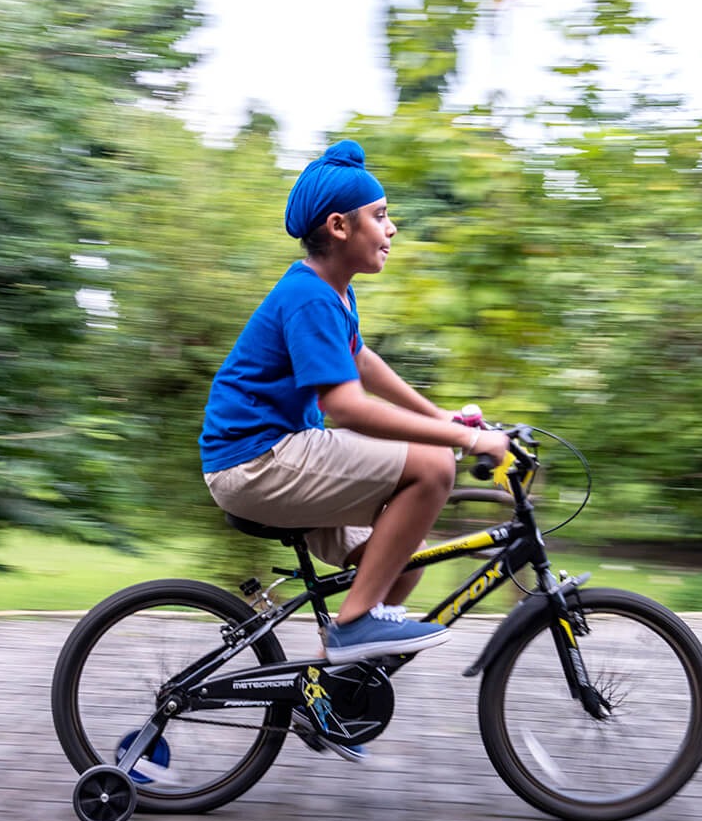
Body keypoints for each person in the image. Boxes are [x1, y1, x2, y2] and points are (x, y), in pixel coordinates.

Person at [199, 140, 509, 666]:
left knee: (405, 561)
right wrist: (465, 438)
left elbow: (360, 360)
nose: (392, 229)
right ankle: (352, 625)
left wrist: (439, 415)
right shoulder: (309, 297)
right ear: (340, 227)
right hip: (255, 462)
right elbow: (346, 405)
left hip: (279, 456)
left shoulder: (335, 292)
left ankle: (328, 692)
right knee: (433, 466)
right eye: (381, 216)